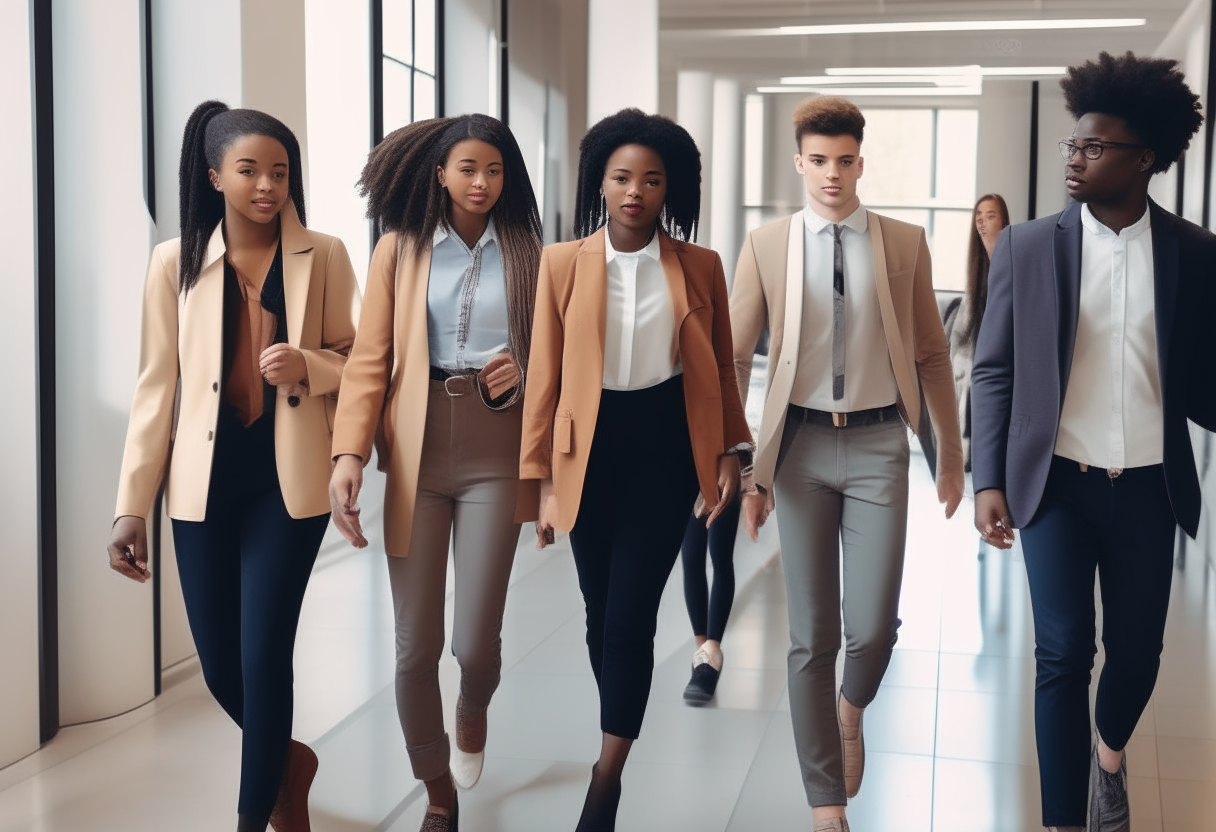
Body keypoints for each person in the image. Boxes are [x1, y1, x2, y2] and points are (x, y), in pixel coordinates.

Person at [971, 52, 1213, 832]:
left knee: (1137, 653)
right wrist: (988, 480)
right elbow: (994, 371)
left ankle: (1109, 762)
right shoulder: (1028, 247)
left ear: (1145, 159)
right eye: (1072, 146)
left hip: (1148, 486)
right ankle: (1061, 821)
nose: (1074, 158)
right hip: (1056, 487)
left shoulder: (1196, 254)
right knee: (1063, 654)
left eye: (1095, 147)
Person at [107, 101, 361, 832]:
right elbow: (156, 387)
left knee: (264, 654)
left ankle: (254, 819)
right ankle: (288, 762)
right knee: (222, 668)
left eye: (280, 173)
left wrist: (307, 364)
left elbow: (363, 362)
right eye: (249, 171)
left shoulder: (327, 254)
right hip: (202, 490)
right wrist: (132, 503)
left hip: (289, 487)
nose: (266, 186)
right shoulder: (172, 262)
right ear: (215, 174)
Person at [729, 96, 964, 832]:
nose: (833, 173)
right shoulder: (767, 244)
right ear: (800, 162)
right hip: (796, 448)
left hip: (876, 445)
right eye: (819, 160)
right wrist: (745, 468)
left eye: (846, 160)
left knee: (872, 629)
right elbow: (734, 356)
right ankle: (825, 801)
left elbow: (929, 353)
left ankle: (851, 707)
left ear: (862, 161)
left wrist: (950, 457)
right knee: (810, 636)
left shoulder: (901, 242)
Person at [520, 108, 751, 832]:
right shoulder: (561, 264)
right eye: (621, 177)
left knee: (629, 622)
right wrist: (543, 486)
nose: (635, 192)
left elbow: (721, 372)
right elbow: (543, 381)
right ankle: (617, 729)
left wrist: (729, 456)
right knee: (597, 615)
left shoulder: (701, 266)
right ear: (599, 181)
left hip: (665, 450)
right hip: (585, 452)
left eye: (652, 180)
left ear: (670, 190)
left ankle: (605, 778)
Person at [328, 114, 542, 832]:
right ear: (440, 174)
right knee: (415, 646)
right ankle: (436, 791)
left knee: (474, 644)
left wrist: (531, 371)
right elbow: (369, 361)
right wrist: (349, 453)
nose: (482, 183)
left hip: (497, 447)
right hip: (417, 447)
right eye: (468, 169)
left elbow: (567, 366)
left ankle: (474, 702)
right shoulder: (400, 250)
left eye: (495, 171)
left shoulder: (534, 255)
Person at [941, 193, 1010, 474]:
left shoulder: (1014, 261)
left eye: (990, 215)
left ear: (1005, 221)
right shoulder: (977, 267)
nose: (982, 222)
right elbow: (963, 332)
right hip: (976, 359)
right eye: (978, 216)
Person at [679, 493, 742, 704]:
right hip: (690, 472)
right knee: (691, 556)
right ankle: (701, 652)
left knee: (720, 555)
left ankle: (712, 649)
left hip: (726, 469)